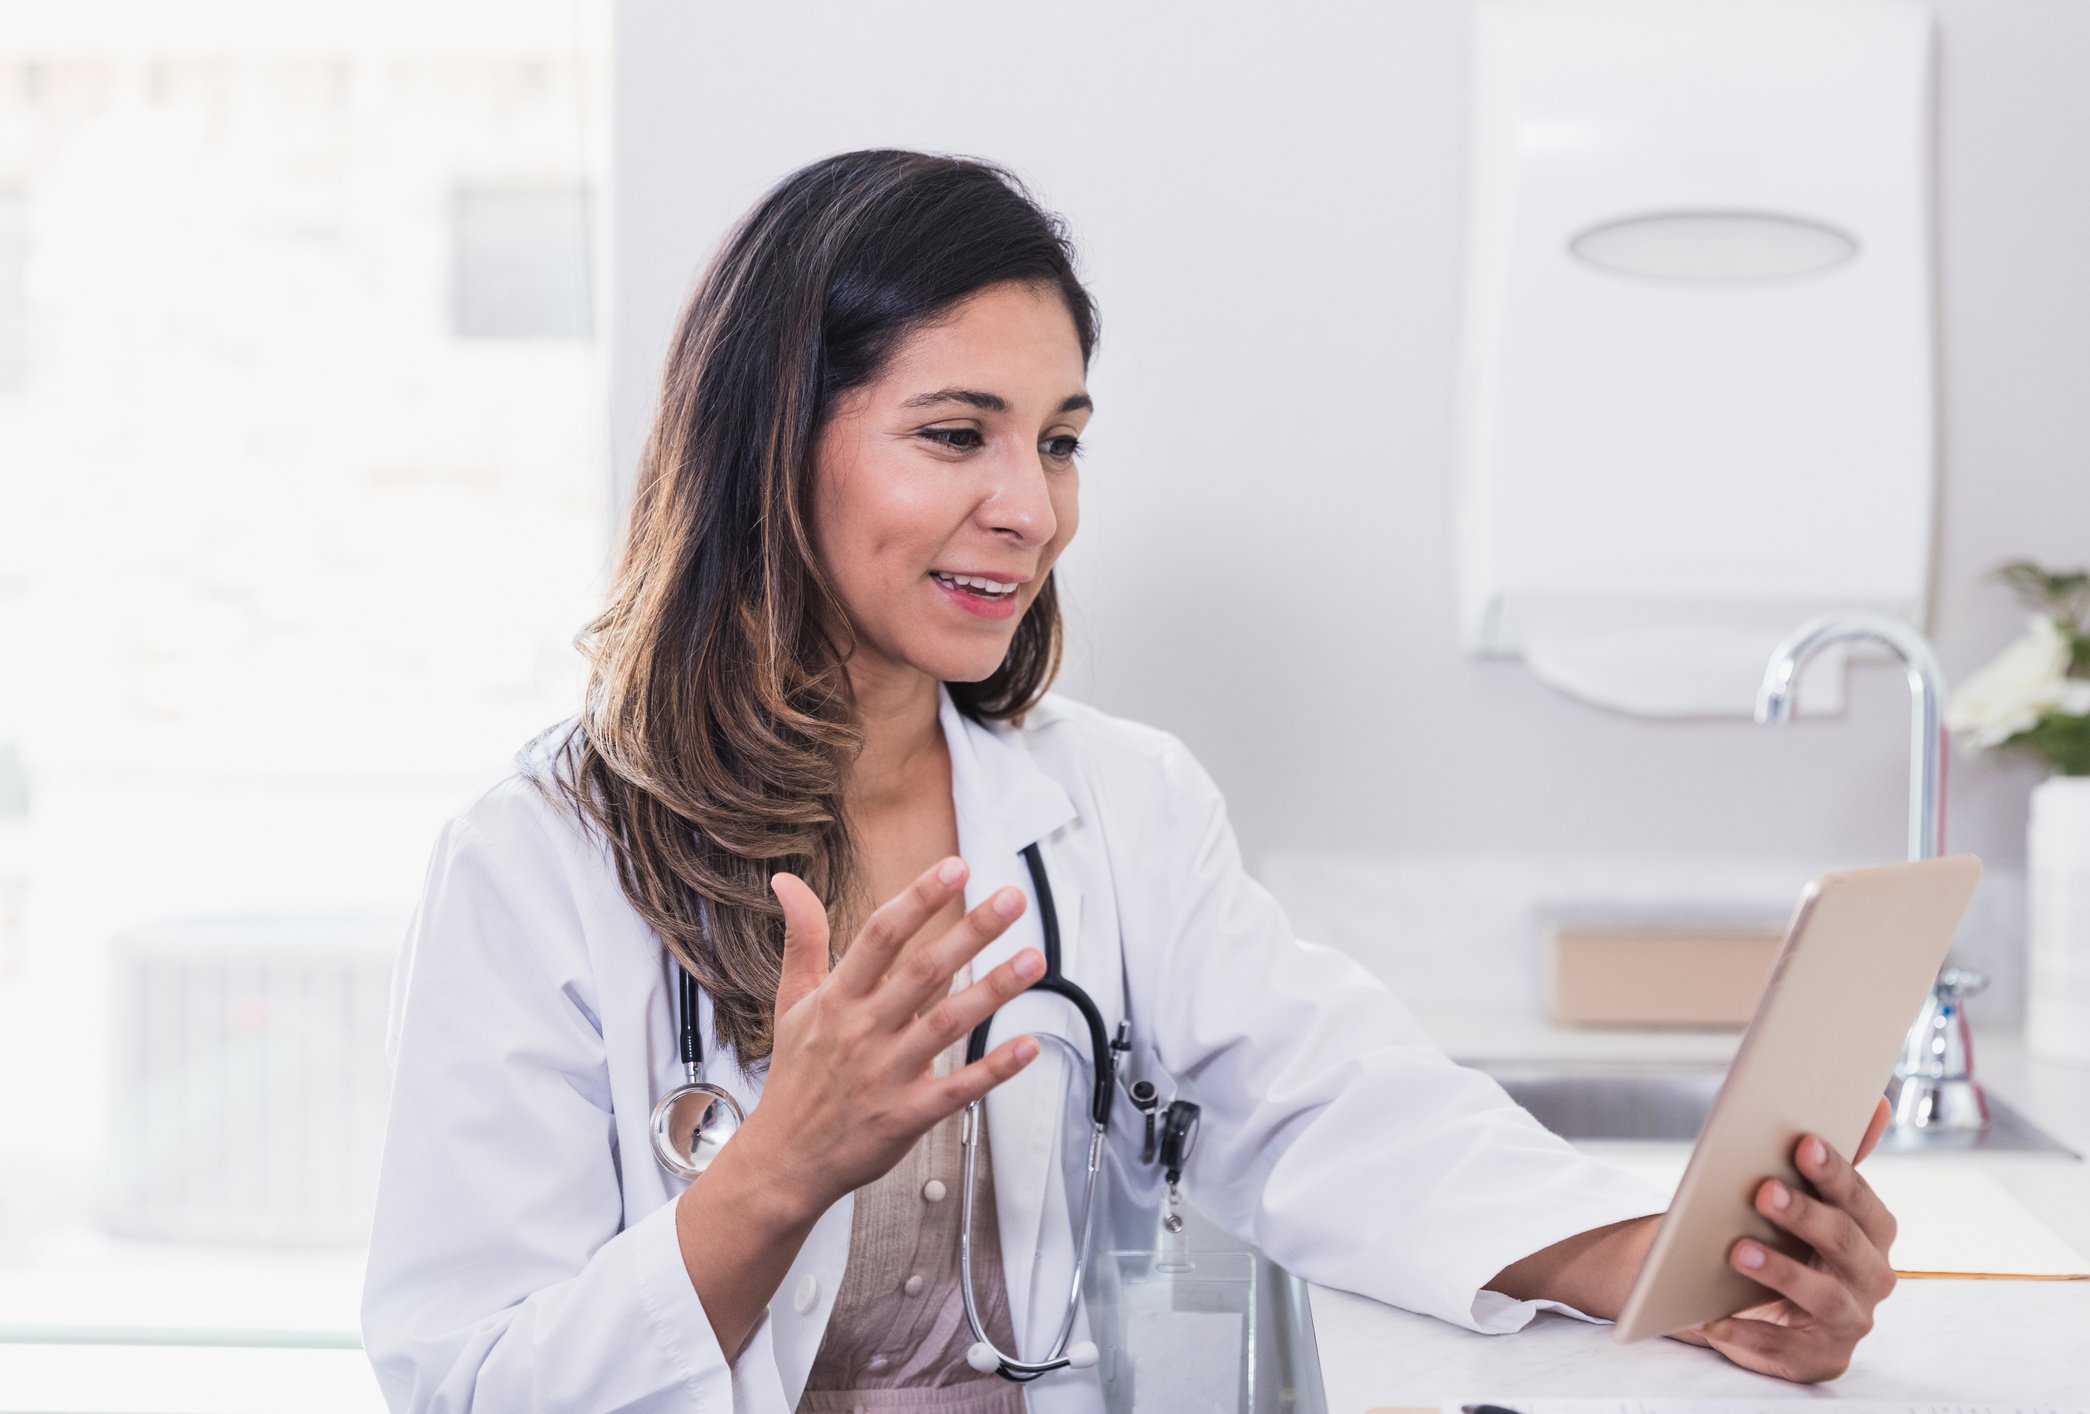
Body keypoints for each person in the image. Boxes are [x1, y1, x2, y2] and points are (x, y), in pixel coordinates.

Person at [359, 149, 1902, 1414]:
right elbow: (465, 1378)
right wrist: (771, 1174)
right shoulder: (538, 861)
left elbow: (1326, 1101)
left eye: (1061, 440)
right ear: (773, 444)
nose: (1030, 510)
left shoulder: (1116, 804)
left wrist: (1655, 1261)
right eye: (956, 432)